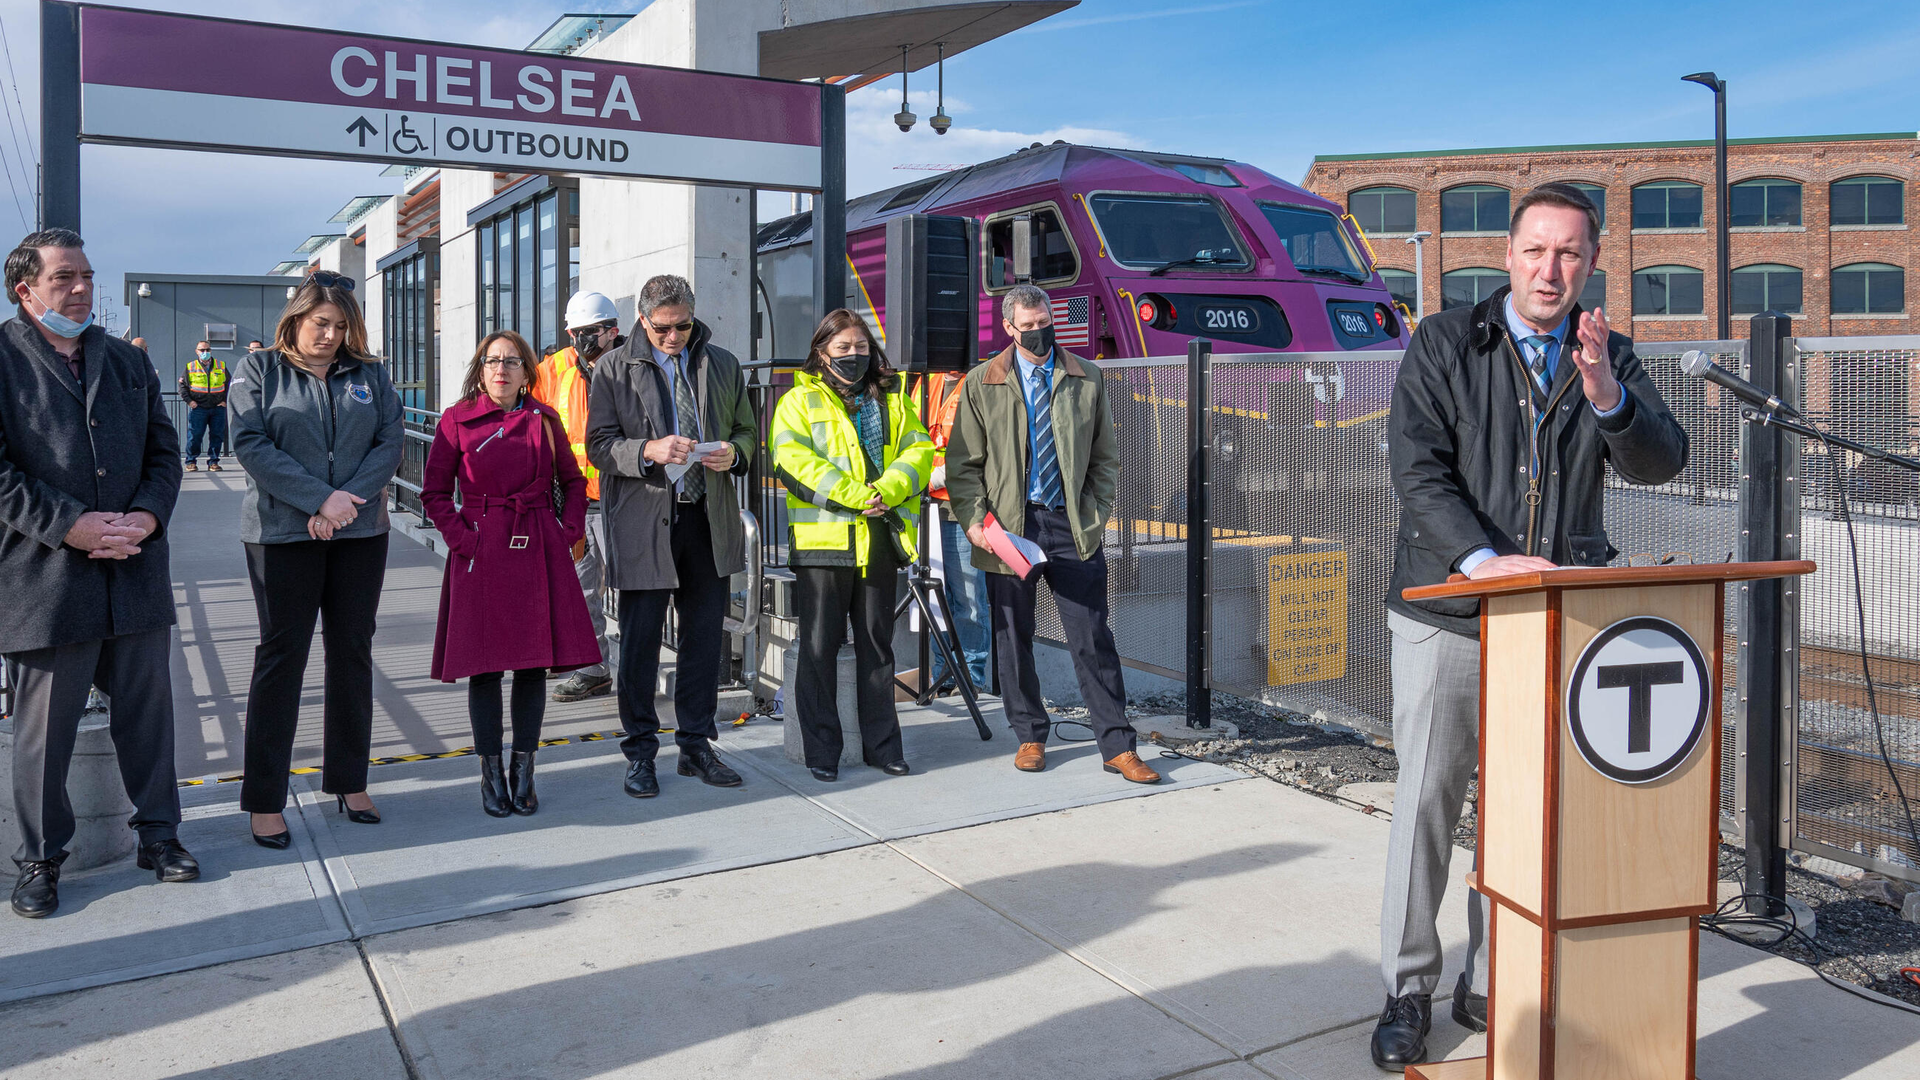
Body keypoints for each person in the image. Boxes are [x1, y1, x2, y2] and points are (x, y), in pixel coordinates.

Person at [1370, 183, 1689, 1070]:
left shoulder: (1608, 354)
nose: (1553, 269)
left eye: (1571, 254)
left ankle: (1491, 976)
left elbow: (1663, 461)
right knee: (1429, 804)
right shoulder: (1444, 340)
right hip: (1452, 612)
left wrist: (1605, 394)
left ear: (1592, 264)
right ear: (1507, 256)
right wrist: (1480, 558)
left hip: (1556, 623)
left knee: (1519, 816)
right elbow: (1416, 467)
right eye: (1537, 250)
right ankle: (1408, 986)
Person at [0, 227, 197, 919]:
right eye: (65, 279)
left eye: (86, 275)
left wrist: (144, 518)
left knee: (148, 716)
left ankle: (159, 835)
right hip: (46, 577)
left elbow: (163, 455)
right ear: (25, 290)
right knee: (43, 733)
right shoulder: (2, 357)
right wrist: (72, 525)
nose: (82, 288)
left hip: (134, 567)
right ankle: (42, 860)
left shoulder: (124, 361)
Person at [945, 283, 1159, 785]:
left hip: (1070, 524)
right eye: (1030, 327)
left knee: (1092, 637)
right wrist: (975, 520)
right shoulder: (983, 383)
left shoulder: (1087, 377)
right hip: (1009, 527)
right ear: (1008, 328)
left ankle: (1117, 745)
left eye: (1046, 325)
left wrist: (1097, 512)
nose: (1040, 334)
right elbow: (963, 463)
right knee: (1012, 637)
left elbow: (1106, 456)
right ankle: (1030, 736)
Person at [229, 272, 403, 848]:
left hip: (357, 534)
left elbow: (390, 439)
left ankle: (350, 780)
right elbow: (251, 443)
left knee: (351, 652)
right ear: (296, 320)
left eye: (339, 326)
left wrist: (344, 505)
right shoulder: (259, 370)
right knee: (281, 658)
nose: (329, 335)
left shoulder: (369, 374)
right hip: (281, 535)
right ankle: (264, 798)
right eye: (319, 323)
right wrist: (316, 499)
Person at [586, 274, 757, 798]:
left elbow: (748, 430)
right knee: (639, 644)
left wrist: (737, 452)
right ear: (643, 320)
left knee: (705, 641)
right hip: (645, 522)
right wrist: (647, 452)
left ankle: (696, 747)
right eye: (663, 328)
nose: (674, 336)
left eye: (683, 325)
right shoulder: (613, 367)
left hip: (708, 518)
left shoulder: (721, 362)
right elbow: (599, 445)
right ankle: (640, 752)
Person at [423, 331, 600, 816]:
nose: (501, 369)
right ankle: (489, 774)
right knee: (484, 667)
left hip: (535, 544)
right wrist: (464, 540)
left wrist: (566, 532)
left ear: (527, 373)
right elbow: (434, 493)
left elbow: (574, 481)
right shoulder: (457, 420)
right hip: (480, 550)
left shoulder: (545, 420)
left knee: (529, 664)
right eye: (492, 360)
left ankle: (524, 770)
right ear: (480, 370)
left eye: (512, 361)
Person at [770, 310, 933, 781]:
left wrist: (890, 490)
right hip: (824, 545)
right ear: (821, 351)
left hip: (879, 538)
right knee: (818, 648)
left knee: (877, 649)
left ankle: (884, 747)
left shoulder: (894, 401)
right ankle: (822, 750)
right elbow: (796, 461)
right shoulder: (798, 402)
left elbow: (919, 451)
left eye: (860, 346)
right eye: (842, 348)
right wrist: (861, 497)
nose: (853, 355)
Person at [532, 291, 623, 704]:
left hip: (627, 497)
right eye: (579, 333)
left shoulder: (630, 366)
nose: (585, 341)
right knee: (581, 588)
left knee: (640, 588)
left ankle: (634, 671)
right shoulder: (552, 370)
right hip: (576, 503)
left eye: (594, 332)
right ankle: (593, 670)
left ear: (613, 330)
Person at [916, 363, 992, 694]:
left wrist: (935, 476)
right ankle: (942, 675)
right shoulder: (923, 383)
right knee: (935, 598)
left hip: (960, 506)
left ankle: (971, 678)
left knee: (969, 598)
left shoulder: (977, 383)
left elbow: (981, 445)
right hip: (924, 507)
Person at [179, 338, 230, 472]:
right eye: (202, 350)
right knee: (195, 436)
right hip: (199, 408)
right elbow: (183, 387)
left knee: (217, 435)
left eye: (207, 350)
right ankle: (191, 462)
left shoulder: (221, 365)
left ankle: (213, 462)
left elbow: (229, 385)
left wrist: (225, 401)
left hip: (217, 407)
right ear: (197, 351)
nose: (205, 352)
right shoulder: (190, 367)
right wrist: (190, 402)